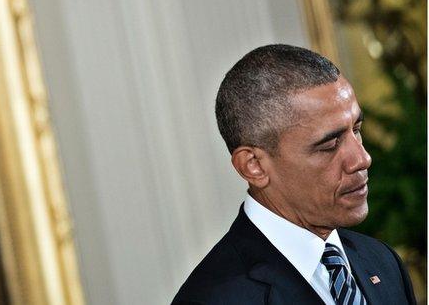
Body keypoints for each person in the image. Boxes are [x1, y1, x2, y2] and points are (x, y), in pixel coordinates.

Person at [173, 44, 416, 304]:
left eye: (356, 129)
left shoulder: (382, 261)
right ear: (254, 166)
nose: (362, 158)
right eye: (329, 144)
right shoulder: (215, 298)